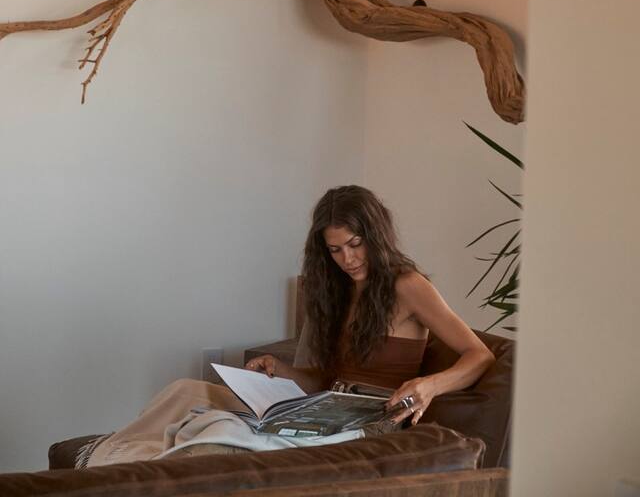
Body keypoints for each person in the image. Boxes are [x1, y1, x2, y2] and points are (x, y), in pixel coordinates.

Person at [81, 185, 494, 466]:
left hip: (370, 421)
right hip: (326, 406)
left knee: (215, 432)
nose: (348, 259)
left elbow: (479, 355)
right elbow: (326, 379)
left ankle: (140, 471)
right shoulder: (338, 290)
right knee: (184, 391)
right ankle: (104, 465)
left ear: (376, 236)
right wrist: (283, 371)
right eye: (335, 250)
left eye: (356, 244)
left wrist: (429, 385)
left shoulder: (408, 286)